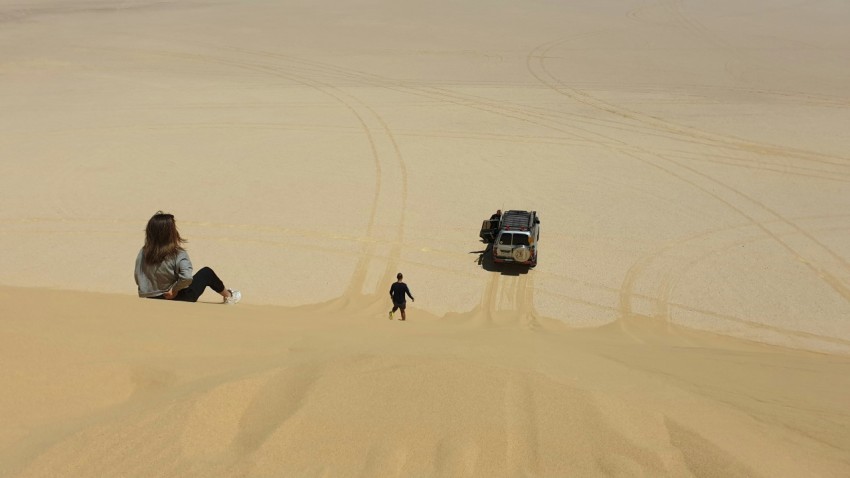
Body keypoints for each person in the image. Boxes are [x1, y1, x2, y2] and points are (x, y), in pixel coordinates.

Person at [134, 211, 241, 304]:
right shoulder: (177, 253)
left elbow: (138, 274)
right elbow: (186, 277)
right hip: (177, 297)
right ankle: (228, 296)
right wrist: (174, 290)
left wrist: (147, 292)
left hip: (150, 297)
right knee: (206, 273)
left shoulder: (144, 251)